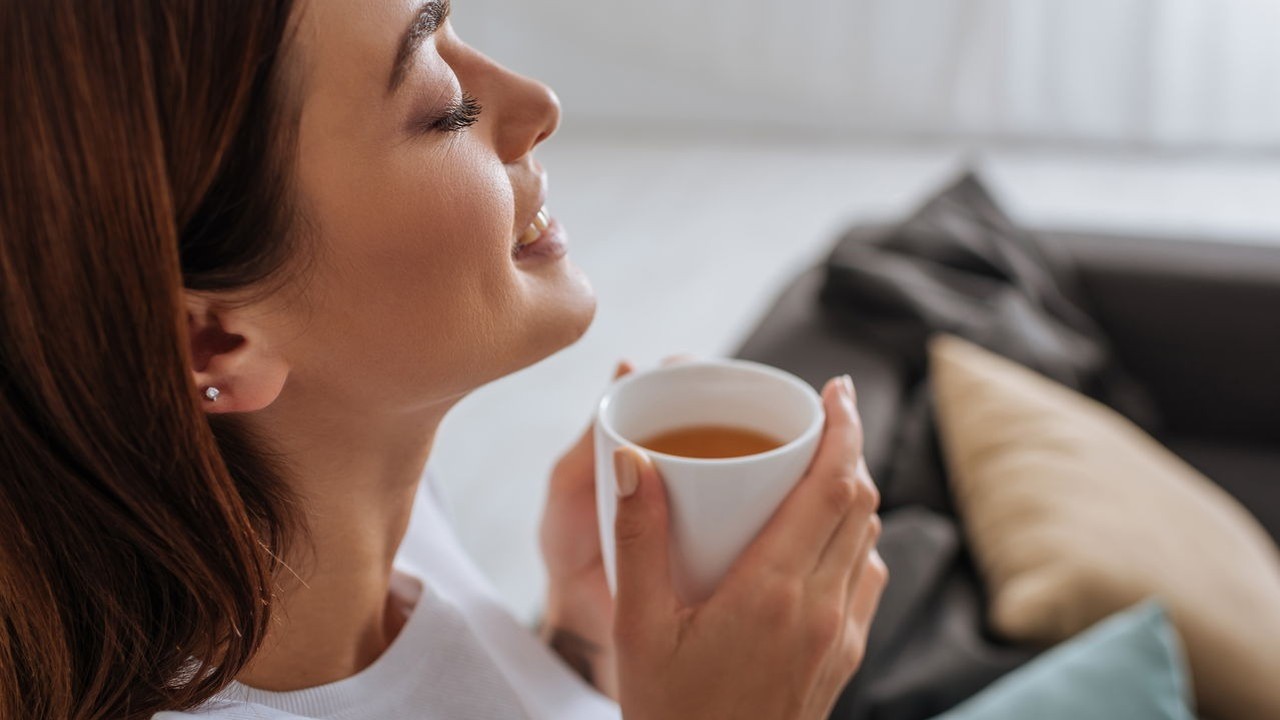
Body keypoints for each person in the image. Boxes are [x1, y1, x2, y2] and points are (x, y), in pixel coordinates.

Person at [0, 1, 888, 718]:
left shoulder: (350, 506)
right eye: (442, 109)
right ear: (215, 342)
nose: (539, 105)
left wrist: (585, 644)